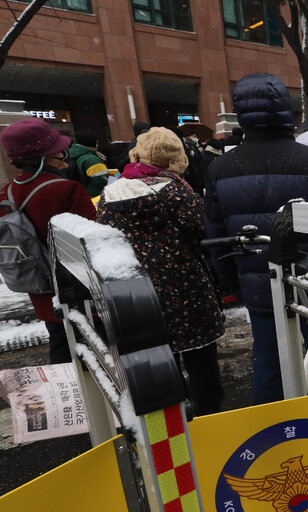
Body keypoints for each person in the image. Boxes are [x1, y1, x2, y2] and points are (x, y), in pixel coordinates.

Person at [205, 72, 308, 405]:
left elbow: (216, 236)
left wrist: (236, 284)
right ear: (285, 111)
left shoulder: (220, 169)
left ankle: (272, 436)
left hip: (259, 287)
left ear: (241, 114)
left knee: (269, 365)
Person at [98, 128, 225, 416]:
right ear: (176, 160)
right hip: (186, 288)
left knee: (160, 358)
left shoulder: (110, 193)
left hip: (138, 292)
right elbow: (202, 230)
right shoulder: (175, 189)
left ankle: (175, 415)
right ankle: (209, 415)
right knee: (201, 359)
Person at [0, 118, 97, 364]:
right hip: (80, 290)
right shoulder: (67, 190)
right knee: (92, 350)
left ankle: (67, 395)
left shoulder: (6, 193)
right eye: (59, 150)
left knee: (60, 343)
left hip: (39, 287)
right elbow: (93, 243)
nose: (64, 154)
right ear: (45, 155)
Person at [64, 131, 110, 198]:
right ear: (92, 142)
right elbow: (103, 180)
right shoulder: (92, 159)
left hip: (76, 194)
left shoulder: (69, 155)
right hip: (94, 195)